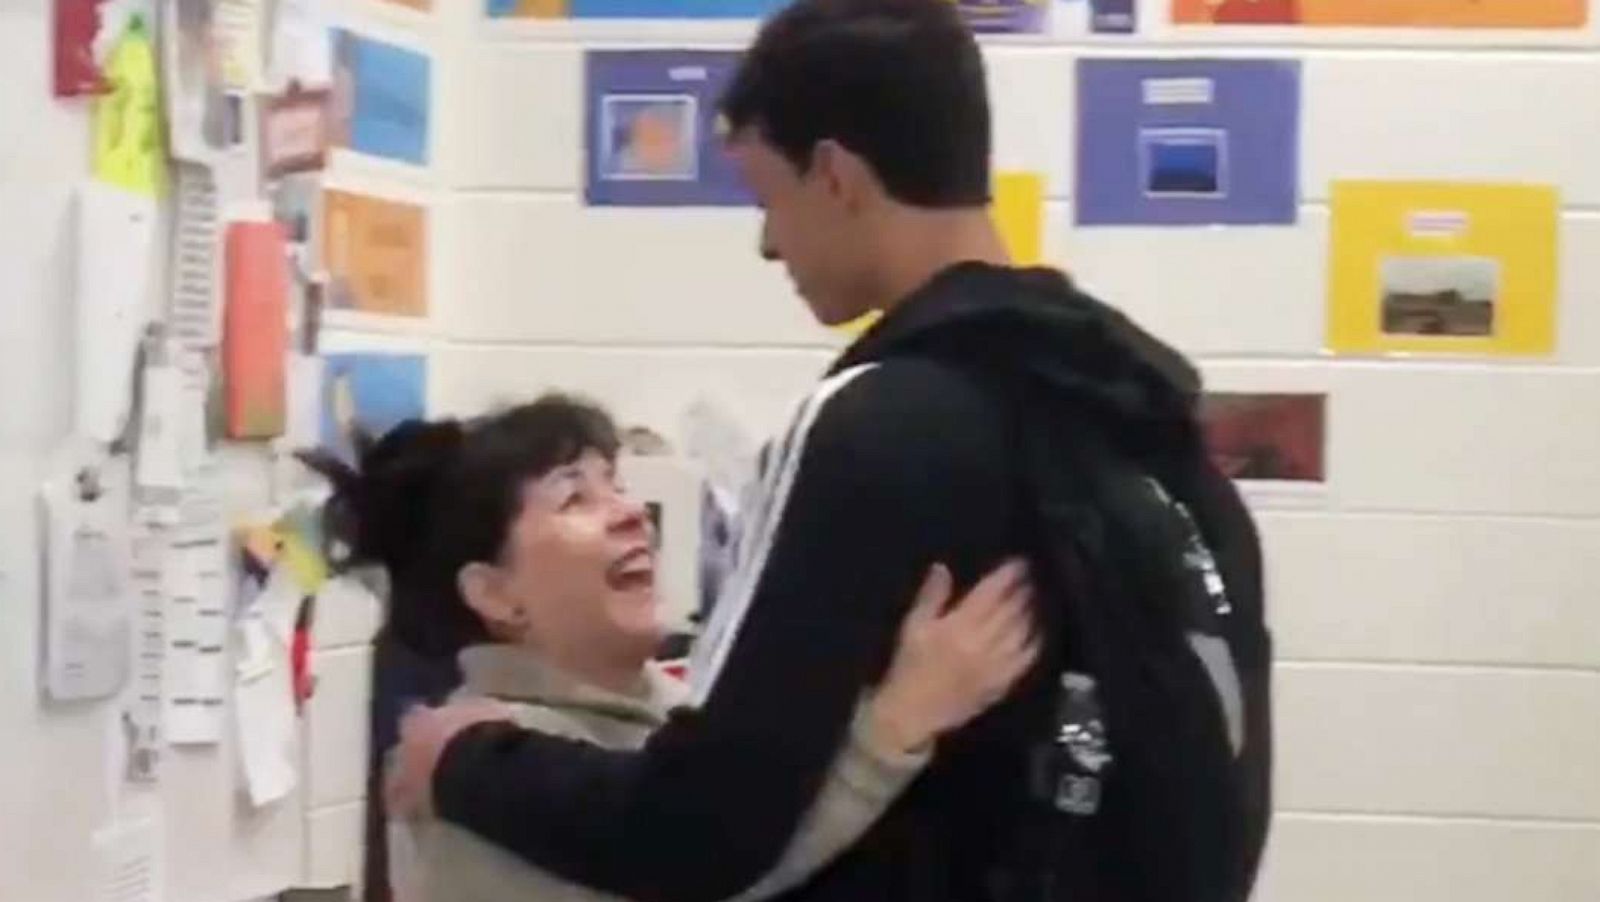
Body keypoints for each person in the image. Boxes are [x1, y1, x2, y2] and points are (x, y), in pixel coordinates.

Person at [388, 0, 1273, 900]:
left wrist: (466, 763)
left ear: (836, 176)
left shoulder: (874, 423)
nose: (770, 242)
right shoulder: (1142, 415)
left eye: (769, 197)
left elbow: (697, 831)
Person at [303, 395, 1038, 902]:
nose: (630, 514)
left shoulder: (672, 710)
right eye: (574, 498)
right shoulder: (475, 773)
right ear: (496, 594)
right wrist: (897, 724)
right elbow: (718, 871)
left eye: (616, 486)